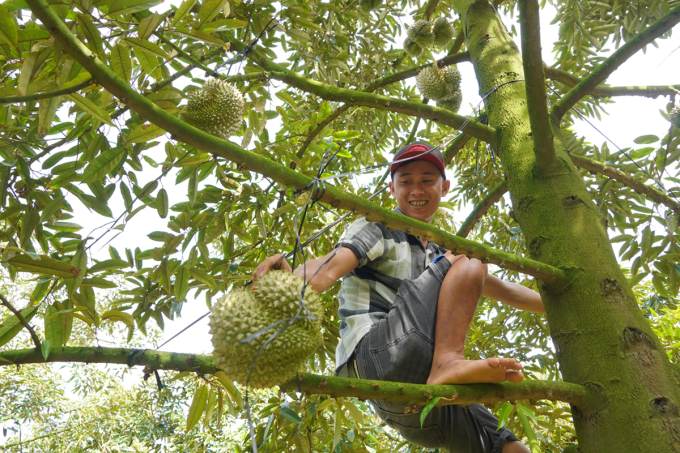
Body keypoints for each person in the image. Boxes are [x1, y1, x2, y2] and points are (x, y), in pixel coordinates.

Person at [253, 141, 544, 453]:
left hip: (404, 402)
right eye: (405, 181)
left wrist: (559, 305)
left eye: (426, 180)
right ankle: (448, 361)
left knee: (512, 450)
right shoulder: (379, 225)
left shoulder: (440, 255)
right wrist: (289, 280)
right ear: (392, 188)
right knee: (470, 254)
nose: (416, 189)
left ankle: (445, 366)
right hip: (376, 356)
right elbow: (330, 266)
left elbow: (509, 291)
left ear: (444, 187)